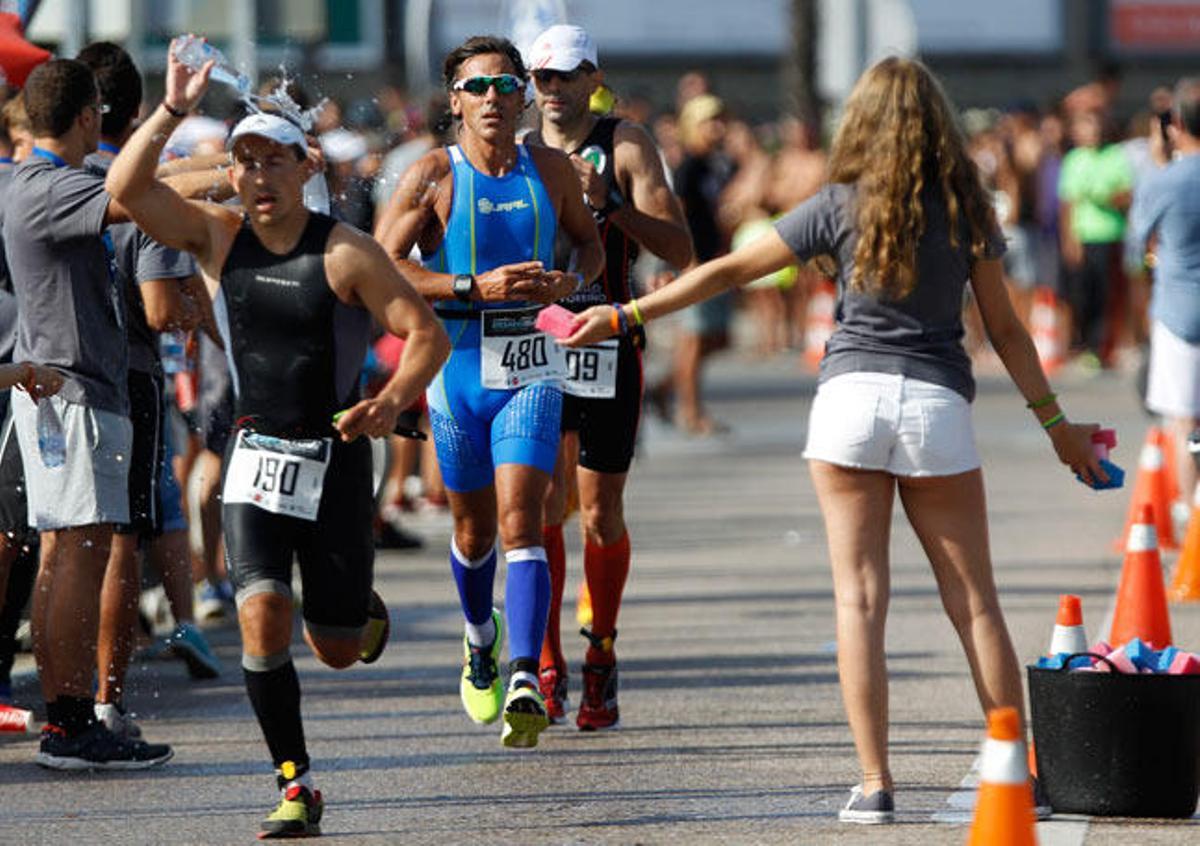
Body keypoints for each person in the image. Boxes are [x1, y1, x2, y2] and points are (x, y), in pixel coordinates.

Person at [562, 56, 1101, 823]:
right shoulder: (965, 207)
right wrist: (1059, 429)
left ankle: (876, 785)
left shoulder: (834, 205)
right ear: (938, 126)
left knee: (860, 600)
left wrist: (627, 316)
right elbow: (1008, 332)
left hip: (847, 402)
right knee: (974, 601)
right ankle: (1019, 773)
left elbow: (727, 271)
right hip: (934, 406)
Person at [105, 43, 449, 837]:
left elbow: (423, 335)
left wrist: (388, 398)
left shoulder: (345, 252)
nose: (257, 176)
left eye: (273, 161)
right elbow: (125, 190)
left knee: (331, 646)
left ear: (305, 167)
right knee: (262, 616)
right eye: (245, 161)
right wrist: (173, 110)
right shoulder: (220, 238)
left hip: (335, 458)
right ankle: (295, 785)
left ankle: (354, 608)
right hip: (255, 455)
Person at [375, 34, 603, 748]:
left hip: (531, 365)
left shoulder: (554, 170)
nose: (494, 100)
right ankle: (481, 641)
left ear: (525, 96)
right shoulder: (432, 174)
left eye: (507, 87)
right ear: (455, 102)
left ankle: (528, 673)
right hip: (457, 369)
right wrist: (471, 286)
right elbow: (378, 268)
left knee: (522, 519)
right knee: (472, 533)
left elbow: (589, 244)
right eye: (478, 88)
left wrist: (573, 282)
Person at [4, 58, 174, 770]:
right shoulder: (50, 186)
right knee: (79, 554)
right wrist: (225, 164)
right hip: (75, 393)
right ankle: (70, 722)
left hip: (60, 392)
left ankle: (68, 717)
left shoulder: (29, 182)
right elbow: (138, 194)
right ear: (87, 116)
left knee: (61, 554)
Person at [522, 23, 692, 728]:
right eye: (543, 79)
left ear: (594, 78)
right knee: (539, 507)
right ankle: (549, 662)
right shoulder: (518, 150)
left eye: (568, 76)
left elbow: (681, 249)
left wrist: (610, 205)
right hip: (534, 342)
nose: (554, 91)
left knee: (598, 511)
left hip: (607, 336)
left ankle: (602, 651)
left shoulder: (625, 145)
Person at [76, 42, 221, 745]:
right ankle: (104, 699)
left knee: (56, 546)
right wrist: (201, 311)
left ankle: (63, 693)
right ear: (133, 112)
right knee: (120, 543)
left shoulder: (43, 179)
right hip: (125, 377)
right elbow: (162, 310)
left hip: (47, 375)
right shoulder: (146, 194)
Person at [1130, 78, 1200, 519]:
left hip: (1178, 313)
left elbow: (1135, 242)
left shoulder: (1166, 180)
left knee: (1184, 420)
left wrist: (1158, 165)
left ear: (1174, 124)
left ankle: (1192, 516)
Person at [671, 93, 734, 434]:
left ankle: (664, 389)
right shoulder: (689, 166)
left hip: (713, 259)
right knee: (693, 340)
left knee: (718, 337)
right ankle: (690, 412)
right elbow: (678, 212)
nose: (719, 127)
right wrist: (688, 259)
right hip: (694, 262)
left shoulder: (713, 163)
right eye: (711, 121)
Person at [1058, 109, 1133, 369]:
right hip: (1083, 236)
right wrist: (1069, 239)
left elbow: (1128, 194)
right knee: (1081, 294)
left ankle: (1103, 347)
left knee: (1106, 294)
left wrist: (1108, 198)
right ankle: (1083, 344)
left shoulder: (1115, 156)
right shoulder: (1074, 160)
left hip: (1109, 234)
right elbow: (1067, 204)